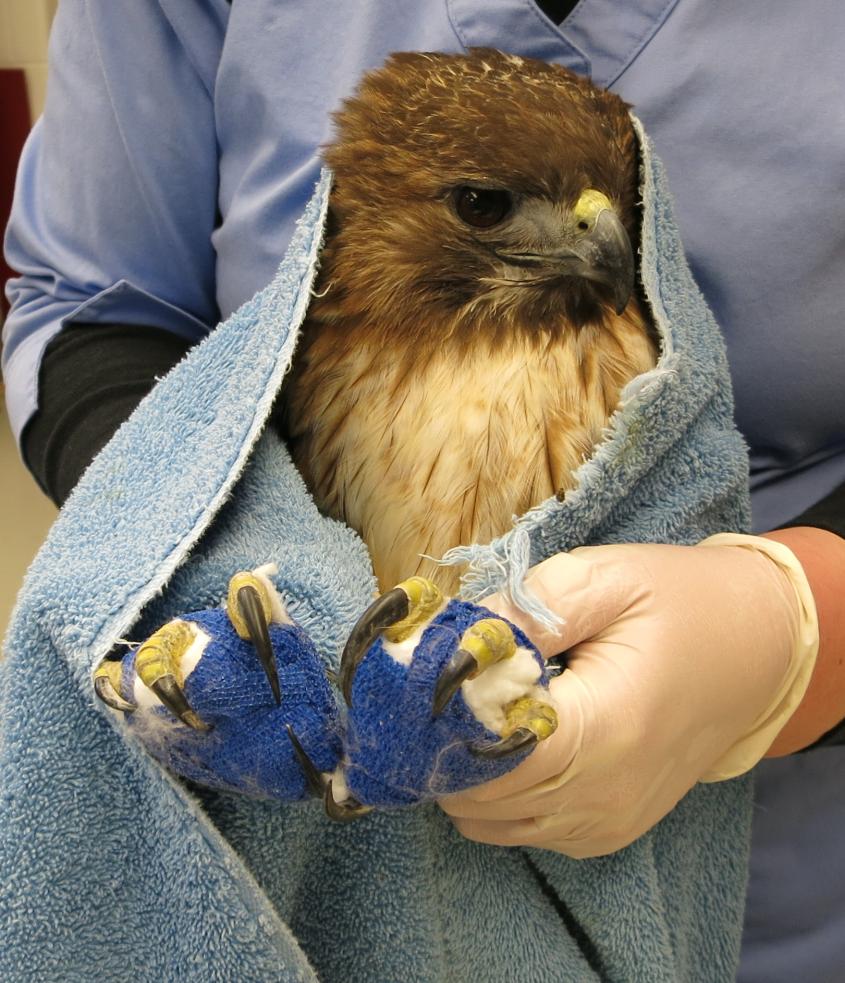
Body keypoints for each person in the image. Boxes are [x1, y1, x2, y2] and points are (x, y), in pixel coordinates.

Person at [3, 1, 844, 978]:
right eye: (487, 209)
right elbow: (97, 304)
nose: (590, 241)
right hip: (303, 857)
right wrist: (189, 533)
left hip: (778, 868)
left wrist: (795, 624)